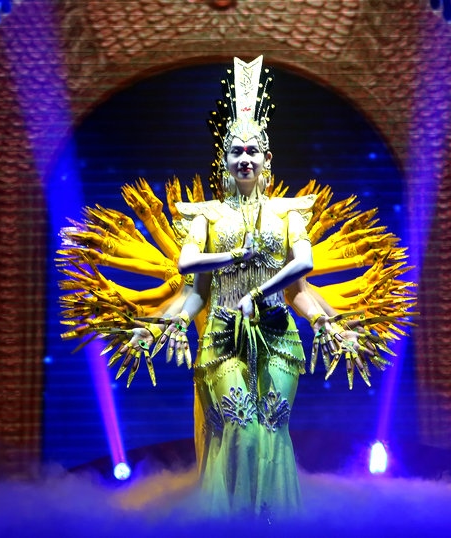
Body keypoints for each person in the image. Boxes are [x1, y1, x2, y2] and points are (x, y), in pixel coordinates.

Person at [57, 56, 415, 517]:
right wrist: (159, 325)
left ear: (266, 160)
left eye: (253, 151)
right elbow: (193, 288)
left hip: (278, 337)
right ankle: (231, 523)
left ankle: (274, 522)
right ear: (224, 161)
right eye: (236, 151)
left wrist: (328, 323)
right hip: (222, 338)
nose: (245, 158)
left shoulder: (289, 213)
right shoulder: (206, 216)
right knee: (240, 427)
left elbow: (301, 285)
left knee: (271, 430)